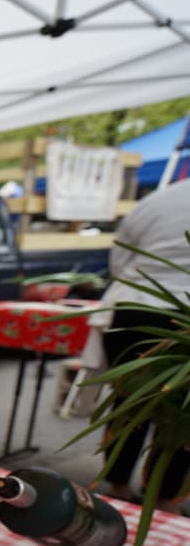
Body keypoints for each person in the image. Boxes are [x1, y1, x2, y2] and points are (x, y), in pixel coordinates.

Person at [94, 177, 190, 511]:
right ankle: (165, 500)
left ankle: (116, 488)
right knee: (181, 415)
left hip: (136, 308)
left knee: (128, 403)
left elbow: (121, 261)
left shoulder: (157, 200)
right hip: (183, 314)